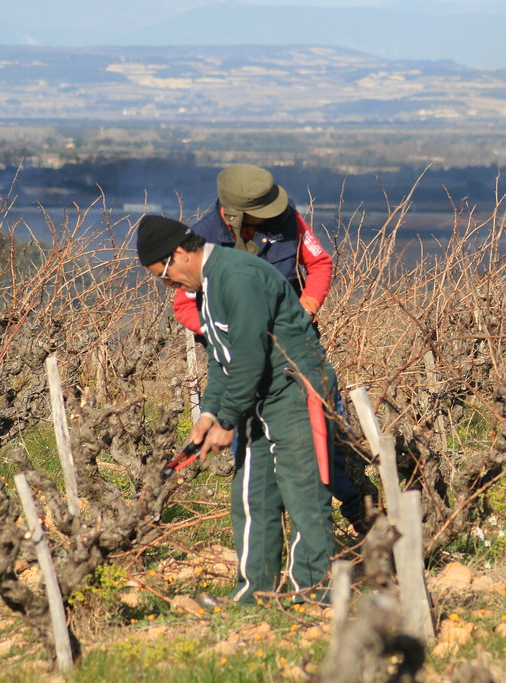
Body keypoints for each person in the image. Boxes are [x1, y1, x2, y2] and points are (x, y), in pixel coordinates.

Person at [137, 215, 335, 604]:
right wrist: (209, 414)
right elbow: (220, 356)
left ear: (179, 254)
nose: (168, 285)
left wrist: (227, 419)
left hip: (294, 392)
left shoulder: (238, 277)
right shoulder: (208, 286)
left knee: (304, 496)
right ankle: (253, 596)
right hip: (258, 399)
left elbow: (247, 356)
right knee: (252, 498)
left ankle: (313, 599)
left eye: (163, 274)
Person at [174, 164, 375, 534]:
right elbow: (184, 305)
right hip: (242, 363)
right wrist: (223, 333)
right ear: (235, 214)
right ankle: (270, 537)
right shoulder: (198, 244)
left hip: (298, 351)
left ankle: (363, 519)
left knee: (324, 437)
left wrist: (305, 311)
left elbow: (319, 263)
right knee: (250, 449)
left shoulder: (289, 220)